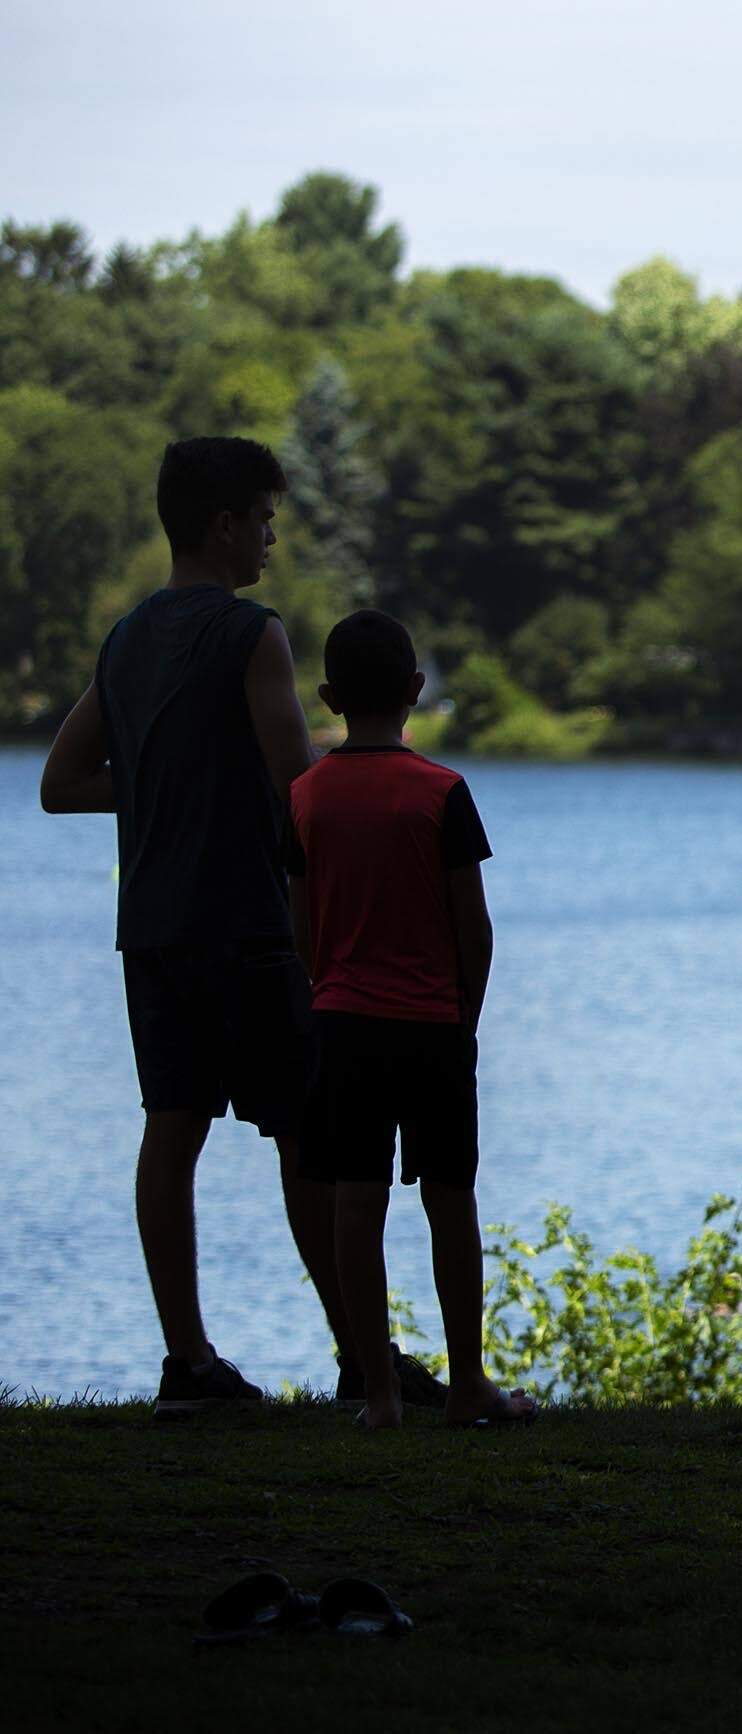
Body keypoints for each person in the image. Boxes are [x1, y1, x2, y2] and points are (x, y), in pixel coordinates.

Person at [37, 437, 358, 1414]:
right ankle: (363, 1357)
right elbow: (298, 787)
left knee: (171, 1129)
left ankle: (188, 1361)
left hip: (154, 926)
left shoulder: (127, 639)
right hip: (249, 926)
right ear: (223, 525)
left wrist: (162, 788)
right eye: (263, 519)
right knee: (302, 1131)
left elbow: (62, 783)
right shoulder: (251, 633)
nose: (269, 538)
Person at [287, 610, 537, 1430]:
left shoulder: (305, 796)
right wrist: (466, 1016)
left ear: (327, 696)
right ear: (415, 692)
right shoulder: (443, 793)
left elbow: (299, 920)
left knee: (353, 1208)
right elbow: (475, 927)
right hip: (434, 1025)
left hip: (343, 1024)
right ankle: (468, 1382)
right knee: (450, 1201)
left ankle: (382, 1395)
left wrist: (327, 984)